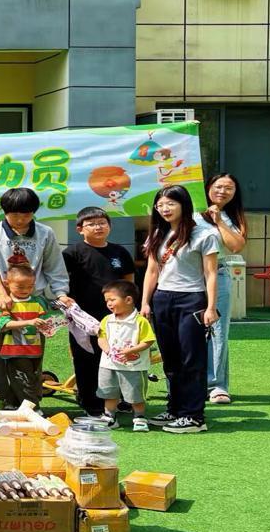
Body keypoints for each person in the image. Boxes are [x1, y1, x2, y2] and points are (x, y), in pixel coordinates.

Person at [0, 187, 72, 405]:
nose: (20, 220)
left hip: (33, 301)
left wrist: (61, 294)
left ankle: (29, 403)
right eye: (14, 215)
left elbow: (55, 267)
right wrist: (2, 294)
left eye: (26, 214)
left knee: (30, 354)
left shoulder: (45, 233)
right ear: (4, 212)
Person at [140, 185, 219, 434]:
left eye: (170, 204)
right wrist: (145, 302)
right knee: (171, 359)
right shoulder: (158, 234)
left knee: (191, 358)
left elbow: (211, 273)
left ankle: (194, 416)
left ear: (184, 205)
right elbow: (152, 271)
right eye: (160, 205)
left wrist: (211, 307)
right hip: (162, 299)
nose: (165, 209)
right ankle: (174, 409)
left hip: (191, 299)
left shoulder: (204, 234)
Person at [62, 206, 137, 416]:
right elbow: (60, 281)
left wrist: (131, 308)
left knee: (118, 355)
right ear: (80, 229)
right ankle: (89, 400)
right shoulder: (71, 253)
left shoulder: (119, 252)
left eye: (102, 223)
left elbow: (129, 281)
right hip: (83, 317)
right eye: (92, 224)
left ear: (109, 226)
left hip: (116, 316)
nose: (98, 227)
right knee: (86, 358)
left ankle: (119, 398)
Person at [196, 173, 247, 404]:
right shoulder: (191, 212)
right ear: (208, 187)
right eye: (218, 186)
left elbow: (236, 246)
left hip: (219, 273)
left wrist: (219, 221)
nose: (223, 191)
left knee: (217, 330)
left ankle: (217, 385)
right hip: (188, 275)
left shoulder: (232, 216)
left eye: (229, 188)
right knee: (186, 330)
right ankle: (185, 383)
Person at [97, 280, 157, 432]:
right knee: (109, 391)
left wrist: (131, 351)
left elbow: (148, 341)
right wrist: (108, 350)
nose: (109, 304)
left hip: (133, 367)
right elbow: (101, 338)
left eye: (112, 300)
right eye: (107, 301)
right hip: (108, 365)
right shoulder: (107, 320)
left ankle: (139, 417)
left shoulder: (140, 321)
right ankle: (109, 416)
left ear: (128, 300)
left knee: (135, 392)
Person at [0, 264, 52, 408]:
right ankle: (33, 409)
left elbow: (45, 323)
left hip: (35, 350)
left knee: (30, 379)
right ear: (7, 284)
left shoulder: (38, 302)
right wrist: (30, 322)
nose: (26, 290)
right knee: (24, 380)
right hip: (15, 351)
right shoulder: (5, 304)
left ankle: (10, 405)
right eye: (20, 287)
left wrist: (48, 328)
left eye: (30, 286)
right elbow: (4, 324)